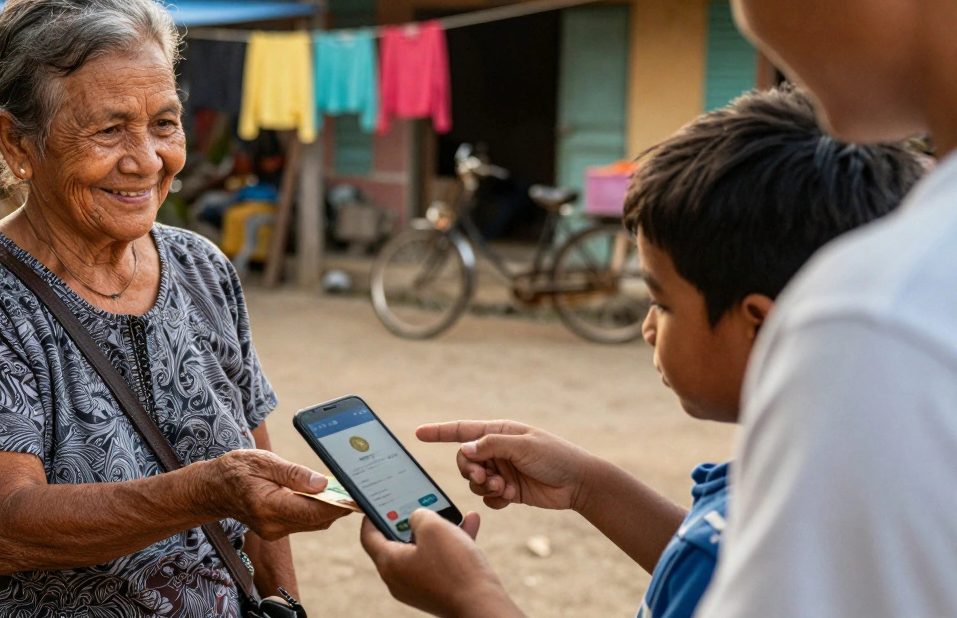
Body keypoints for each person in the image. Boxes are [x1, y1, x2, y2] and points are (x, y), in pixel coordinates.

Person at [361, 0, 957, 609]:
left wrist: (474, 600)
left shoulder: (875, 316)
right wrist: (588, 483)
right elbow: (751, 569)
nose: (740, 2)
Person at [362, 87, 924, 618]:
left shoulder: (751, 535)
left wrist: (472, 599)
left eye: (663, 302)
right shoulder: (857, 477)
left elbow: (714, 567)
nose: (647, 328)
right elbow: (718, 572)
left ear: (760, 327)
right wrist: (587, 484)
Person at [0, 0, 348, 618]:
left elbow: (258, 486)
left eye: (164, 123)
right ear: (15, 143)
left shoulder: (201, 267)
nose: (147, 159)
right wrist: (205, 492)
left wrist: (284, 603)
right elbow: (4, 526)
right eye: (109, 131)